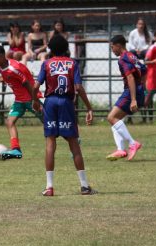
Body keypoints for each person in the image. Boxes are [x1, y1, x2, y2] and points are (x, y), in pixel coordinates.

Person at [32, 35, 96, 196]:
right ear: (66, 49)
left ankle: (49, 187)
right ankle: (84, 186)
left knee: (50, 143)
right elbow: (79, 87)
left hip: (51, 102)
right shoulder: (73, 63)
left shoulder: (46, 64)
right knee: (74, 144)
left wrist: (34, 101)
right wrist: (89, 107)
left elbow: (35, 86)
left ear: (51, 49)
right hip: (66, 103)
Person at [0, 45, 42, 160]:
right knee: (9, 122)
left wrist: (35, 100)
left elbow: (27, 83)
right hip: (19, 100)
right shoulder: (2, 68)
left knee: (49, 121)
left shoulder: (14, 68)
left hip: (30, 99)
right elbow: (10, 77)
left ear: (2, 56)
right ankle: (16, 150)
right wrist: (2, 79)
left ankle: (71, 136)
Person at [106, 35, 145, 161]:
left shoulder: (123, 59)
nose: (112, 50)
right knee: (116, 121)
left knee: (111, 117)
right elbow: (144, 70)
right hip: (137, 90)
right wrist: (141, 89)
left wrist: (133, 99)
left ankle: (132, 143)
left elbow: (130, 78)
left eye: (112, 47)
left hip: (130, 91)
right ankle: (120, 149)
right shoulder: (132, 56)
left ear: (119, 45)